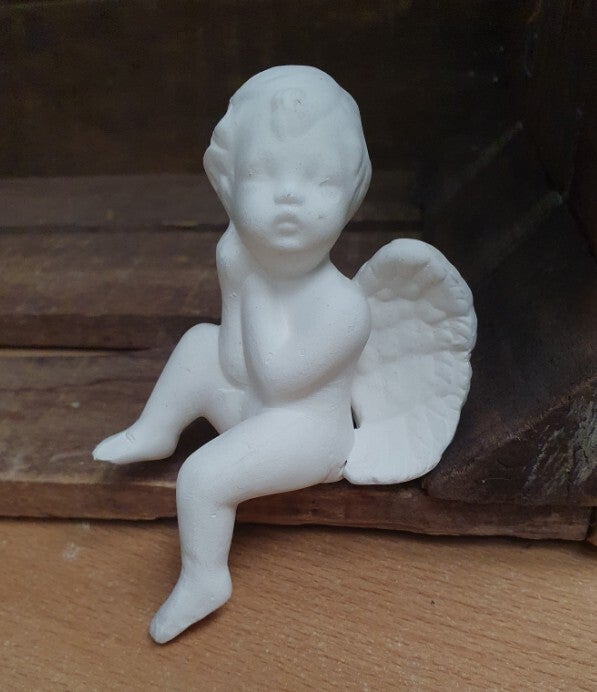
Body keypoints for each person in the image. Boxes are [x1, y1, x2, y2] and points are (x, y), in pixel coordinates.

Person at [94, 65, 373, 643]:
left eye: (320, 181)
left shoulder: (345, 306)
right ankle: (156, 430)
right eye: (261, 175)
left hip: (308, 435)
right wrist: (237, 275)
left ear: (350, 200)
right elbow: (233, 359)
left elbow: (276, 380)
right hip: (254, 407)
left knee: (202, 478)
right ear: (227, 189)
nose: (289, 196)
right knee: (200, 341)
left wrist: (254, 286)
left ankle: (205, 578)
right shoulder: (245, 260)